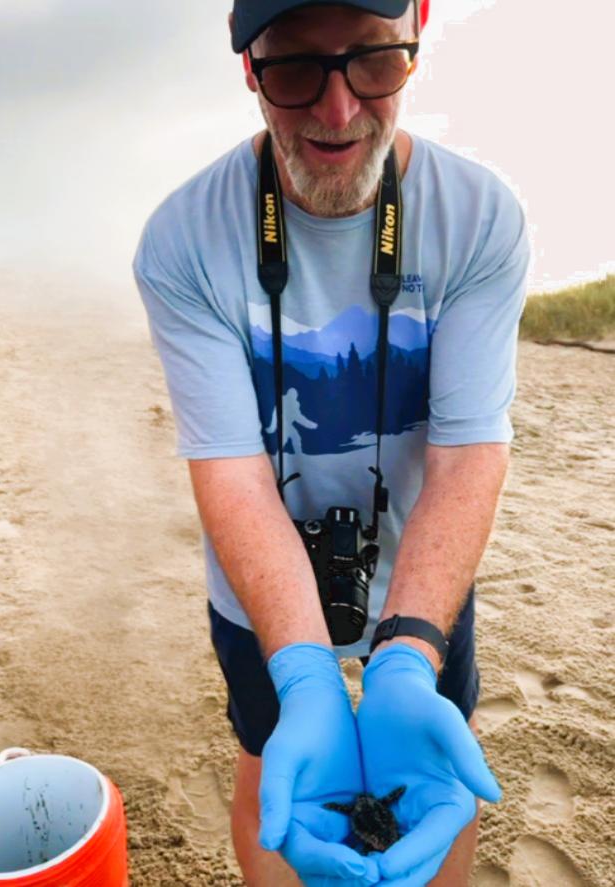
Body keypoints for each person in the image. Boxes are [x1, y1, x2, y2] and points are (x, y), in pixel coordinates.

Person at [133, 0, 530, 883]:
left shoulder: (480, 216)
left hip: (421, 568)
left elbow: (468, 452)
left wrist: (408, 653)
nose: (339, 111)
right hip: (256, 577)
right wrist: (308, 672)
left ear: (418, 35)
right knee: (270, 765)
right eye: (296, 69)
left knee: (436, 770)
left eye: (375, 62)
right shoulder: (181, 239)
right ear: (248, 68)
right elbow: (231, 470)